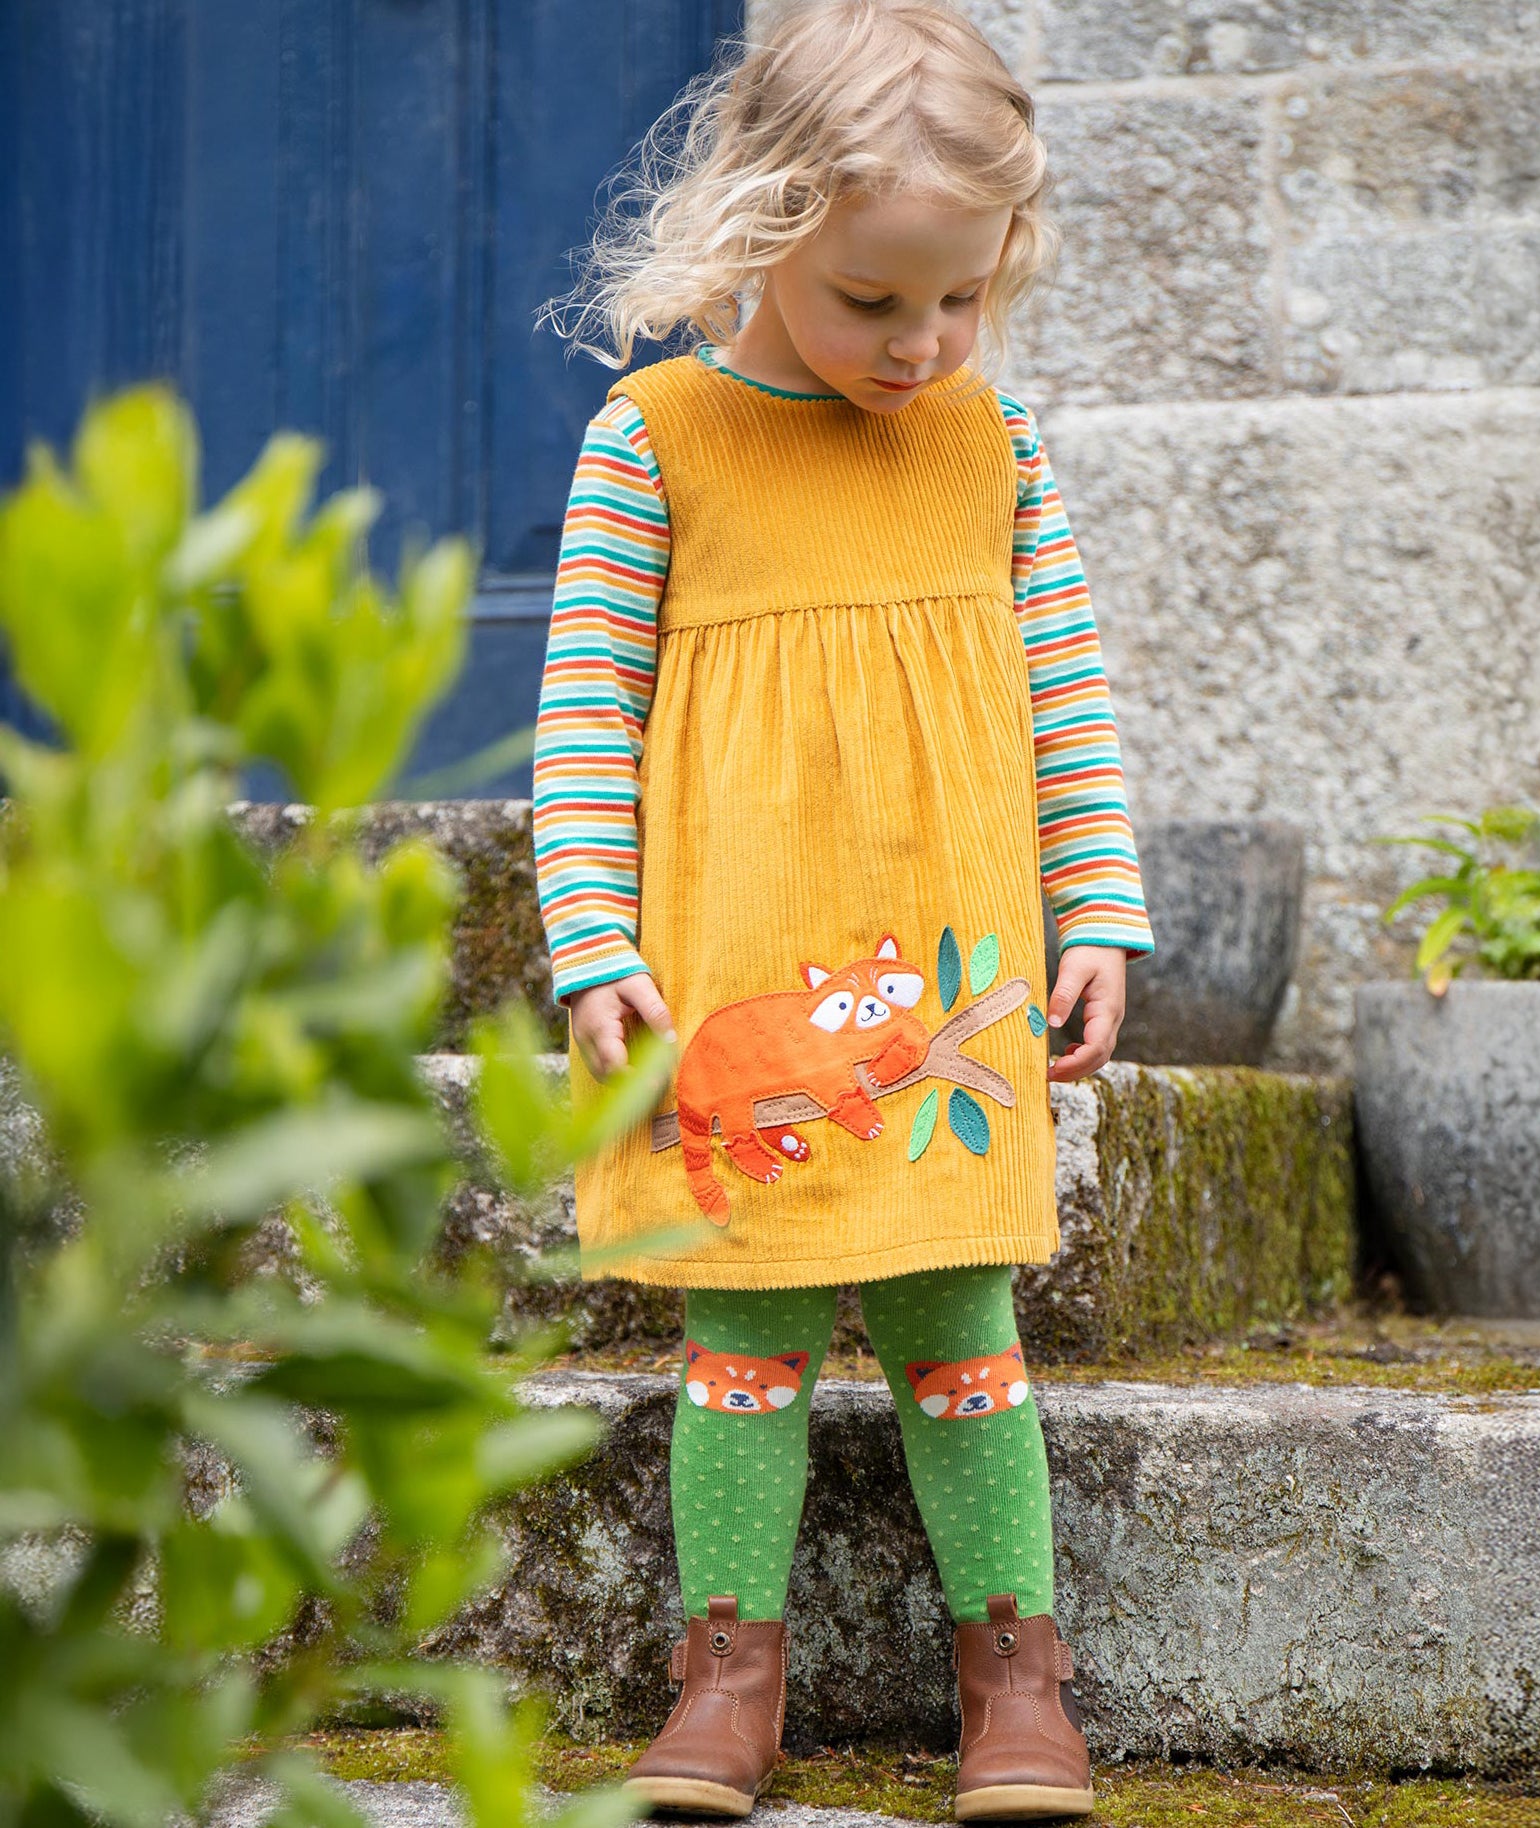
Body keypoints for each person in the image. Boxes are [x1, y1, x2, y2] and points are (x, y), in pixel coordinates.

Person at [534, 1, 1153, 1816]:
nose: (920, 343)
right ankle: (727, 1678)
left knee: (963, 1328)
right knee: (746, 1334)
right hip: (738, 973)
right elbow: (583, 711)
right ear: (760, 227)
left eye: (956, 299)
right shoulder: (655, 441)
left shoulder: (994, 445)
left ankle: (1016, 1687)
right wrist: (594, 940)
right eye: (871, 300)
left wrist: (1094, 910)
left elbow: (1064, 697)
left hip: (946, 986)